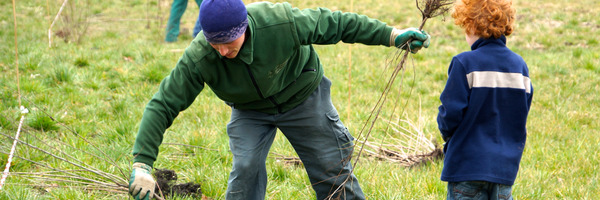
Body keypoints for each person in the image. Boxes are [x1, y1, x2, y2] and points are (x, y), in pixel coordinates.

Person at [129, 0, 431, 199]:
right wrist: (142, 164)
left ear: (244, 27)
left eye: (228, 42)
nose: (221, 51)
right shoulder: (200, 56)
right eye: (214, 43)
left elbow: (339, 24)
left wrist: (392, 36)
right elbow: (164, 102)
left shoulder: (280, 22)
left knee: (330, 166)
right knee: (245, 167)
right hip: (250, 110)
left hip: (302, 95)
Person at [436, 0, 533, 199]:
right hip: (504, 170)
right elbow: (522, 111)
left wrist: (448, 136)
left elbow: (450, 114)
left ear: (471, 25)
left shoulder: (464, 63)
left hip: (467, 166)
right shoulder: (520, 66)